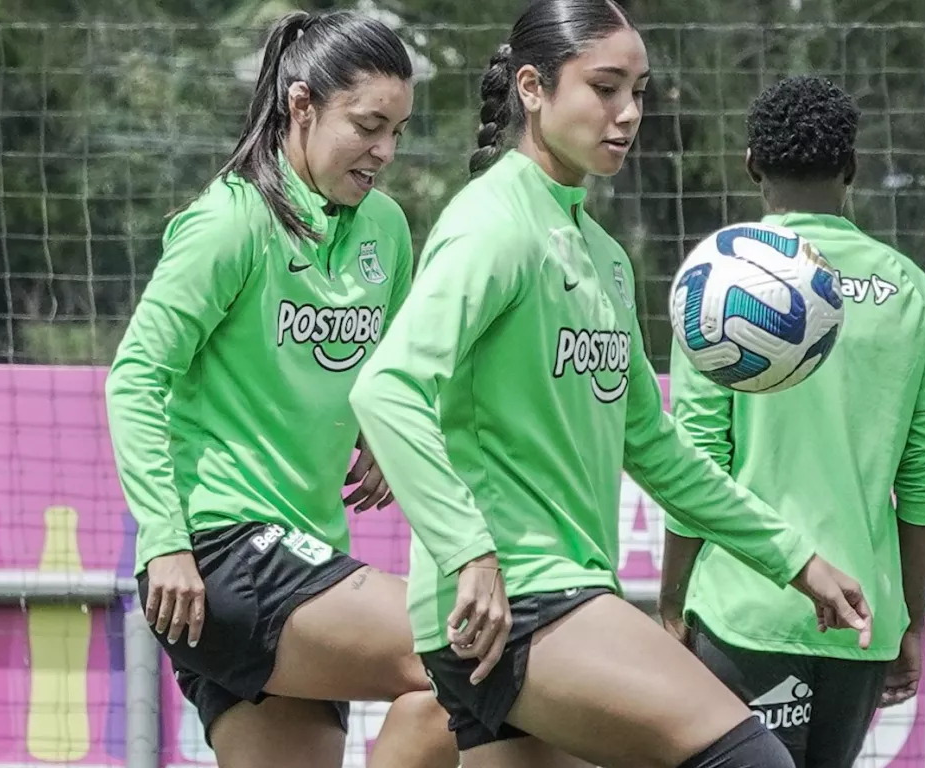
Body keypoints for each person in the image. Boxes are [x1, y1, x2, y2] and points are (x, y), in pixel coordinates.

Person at [347, 2, 875, 767]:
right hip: (519, 601)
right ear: (533, 88)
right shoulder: (493, 224)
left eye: (640, 91)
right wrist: (470, 554)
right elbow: (386, 390)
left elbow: (653, 445)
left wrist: (794, 558)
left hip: (537, 604)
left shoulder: (601, 252)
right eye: (604, 87)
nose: (628, 114)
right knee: (751, 759)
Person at [104, 11, 458, 768]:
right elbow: (135, 378)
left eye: (398, 129)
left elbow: (391, 377)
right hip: (219, 555)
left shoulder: (386, 230)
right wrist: (164, 540)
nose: (386, 151)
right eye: (368, 125)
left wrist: (384, 439)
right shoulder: (229, 224)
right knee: (470, 654)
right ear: (301, 105)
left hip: (309, 555)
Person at [657, 75, 925, 768]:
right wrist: (907, 615)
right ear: (850, 168)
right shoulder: (909, 287)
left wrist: (673, 599)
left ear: (752, 162)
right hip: (859, 619)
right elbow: (922, 475)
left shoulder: (720, 279)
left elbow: (698, 460)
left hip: (744, 610)